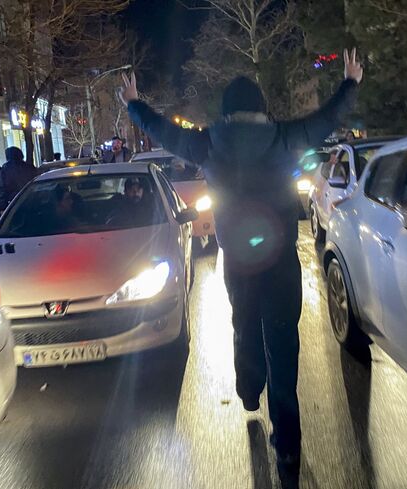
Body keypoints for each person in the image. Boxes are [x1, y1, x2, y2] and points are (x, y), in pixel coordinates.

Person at [121, 48, 363, 478]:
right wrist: (349, 83)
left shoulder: (208, 141)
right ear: (260, 108)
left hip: (238, 261)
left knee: (244, 325)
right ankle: (287, 444)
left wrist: (135, 104)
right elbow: (326, 120)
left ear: (227, 111)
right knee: (284, 344)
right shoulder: (284, 136)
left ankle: (250, 391)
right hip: (281, 261)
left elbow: (163, 133)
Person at [0, 146, 39, 211]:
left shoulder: (5, 169)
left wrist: (3, 206)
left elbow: (2, 188)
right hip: (31, 199)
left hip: (15, 201)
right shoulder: (28, 167)